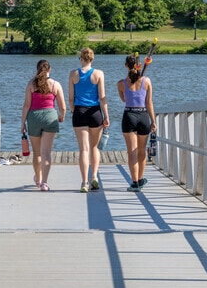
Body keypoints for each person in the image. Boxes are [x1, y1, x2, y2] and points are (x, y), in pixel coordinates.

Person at [21, 59, 67, 191]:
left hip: (34, 118)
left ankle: (38, 178)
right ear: (49, 70)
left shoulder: (31, 84)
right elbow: (63, 107)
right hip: (50, 117)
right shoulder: (55, 84)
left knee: (37, 153)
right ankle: (44, 183)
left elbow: (26, 105)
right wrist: (61, 117)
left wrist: (22, 123)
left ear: (37, 70)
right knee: (46, 152)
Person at [69, 47, 110, 193]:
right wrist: (106, 116)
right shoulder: (98, 74)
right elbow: (102, 97)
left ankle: (84, 182)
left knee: (83, 149)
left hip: (80, 111)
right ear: (92, 59)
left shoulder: (73, 74)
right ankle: (94, 176)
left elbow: (70, 98)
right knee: (94, 147)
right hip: (95, 112)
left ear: (81, 58)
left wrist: (74, 110)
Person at [117, 53, 156, 192]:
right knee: (141, 151)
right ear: (139, 65)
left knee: (131, 152)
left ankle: (134, 183)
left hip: (129, 115)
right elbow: (149, 103)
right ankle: (140, 179)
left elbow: (124, 100)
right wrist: (153, 121)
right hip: (143, 116)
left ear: (126, 66)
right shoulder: (147, 81)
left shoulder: (121, 84)